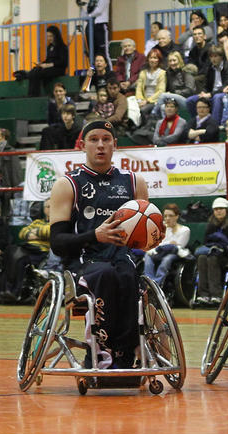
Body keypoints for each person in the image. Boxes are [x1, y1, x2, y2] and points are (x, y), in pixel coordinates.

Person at [49, 119, 152, 370]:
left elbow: (144, 238)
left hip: (121, 258)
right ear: (82, 145)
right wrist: (95, 235)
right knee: (105, 275)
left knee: (128, 275)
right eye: (94, 139)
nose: (100, 145)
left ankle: (125, 354)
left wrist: (153, 234)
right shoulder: (67, 184)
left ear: (115, 145)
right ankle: (100, 354)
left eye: (106, 140)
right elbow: (57, 243)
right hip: (84, 261)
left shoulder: (134, 182)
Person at [194, 197, 228, 306]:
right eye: (216, 209)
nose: (218, 211)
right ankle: (203, 294)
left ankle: (216, 295)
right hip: (213, 253)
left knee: (213, 258)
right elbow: (206, 243)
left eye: (221, 209)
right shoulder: (211, 225)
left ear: (227, 210)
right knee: (202, 258)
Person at [143, 204, 190, 287]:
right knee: (147, 256)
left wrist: (165, 245)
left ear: (177, 216)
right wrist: (169, 244)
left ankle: (157, 284)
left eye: (170, 216)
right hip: (159, 252)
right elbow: (156, 243)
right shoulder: (160, 228)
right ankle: (149, 282)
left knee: (167, 259)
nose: (167, 218)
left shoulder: (185, 230)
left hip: (175, 254)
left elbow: (179, 247)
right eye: (165, 216)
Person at [185, 45, 228, 125]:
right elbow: (206, 84)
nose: (213, 59)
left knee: (217, 97)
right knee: (190, 101)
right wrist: (203, 92)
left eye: (215, 56)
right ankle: (197, 123)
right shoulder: (209, 67)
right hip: (210, 93)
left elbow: (226, 85)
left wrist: (210, 94)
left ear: (221, 57)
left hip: (224, 93)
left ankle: (214, 124)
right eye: (211, 57)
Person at [24, 25, 68, 97]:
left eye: (51, 36)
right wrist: (41, 64)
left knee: (38, 73)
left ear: (56, 36)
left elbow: (63, 62)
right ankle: (30, 94)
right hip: (49, 68)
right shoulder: (49, 47)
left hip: (58, 69)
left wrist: (49, 65)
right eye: (47, 36)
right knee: (33, 71)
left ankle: (35, 95)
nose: (49, 38)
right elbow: (48, 59)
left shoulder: (62, 47)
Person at [150, 51, 195, 119]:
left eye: (174, 60)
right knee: (163, 107)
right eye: (170, 61)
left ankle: (153, 114)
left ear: (179, 60)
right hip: (172, 99)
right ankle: (165, 124)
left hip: (186, 100)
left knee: (163, 95)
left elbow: (190, 89)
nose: (172, 63)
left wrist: (174, 92)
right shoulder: (168, 73)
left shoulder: (186, 72)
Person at [79, 0, 112, 68]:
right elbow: (84, 17)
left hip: (100, 25)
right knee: (92, 53)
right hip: (90, 26)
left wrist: (89, 16)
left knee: (103, 52)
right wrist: (81, 7)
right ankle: (94, 72)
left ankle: (109, 72)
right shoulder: (91, 2)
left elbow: (99, 11)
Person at [135, 48, 166, 119]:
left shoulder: (162, 73)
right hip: (143, 99)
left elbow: (161, 91)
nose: (152, 60)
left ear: (159, 60)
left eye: (155, 58)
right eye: (151, 58)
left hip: (155, 100)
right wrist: (140, 100)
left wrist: (147, 101)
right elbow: (139, 88)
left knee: (143, 110)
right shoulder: (143, 72)